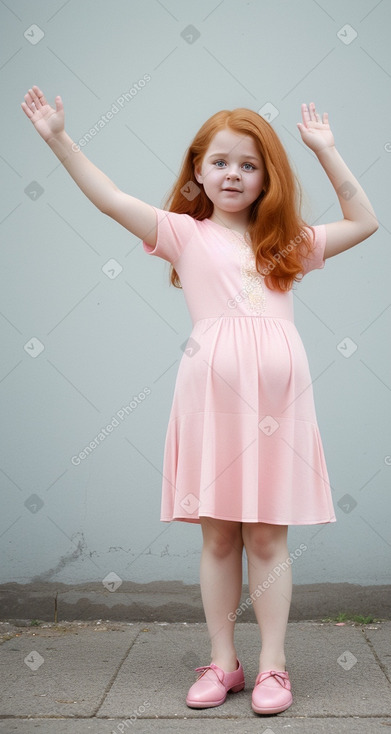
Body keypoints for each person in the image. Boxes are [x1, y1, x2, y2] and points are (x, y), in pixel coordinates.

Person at [21, 87, 378, 715]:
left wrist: (326, 150)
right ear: (198, 172)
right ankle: (223, 663)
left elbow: (365, 221)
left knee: (268, 538)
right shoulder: (184, 234)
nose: (233, 173)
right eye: (219, 162)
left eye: (248, 164)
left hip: (278, 407)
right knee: (218, 538)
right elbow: (108, 197)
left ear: (267, 176)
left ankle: (273, 667)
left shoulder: (285, 242)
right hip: (211, 402)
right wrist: (58, 138)